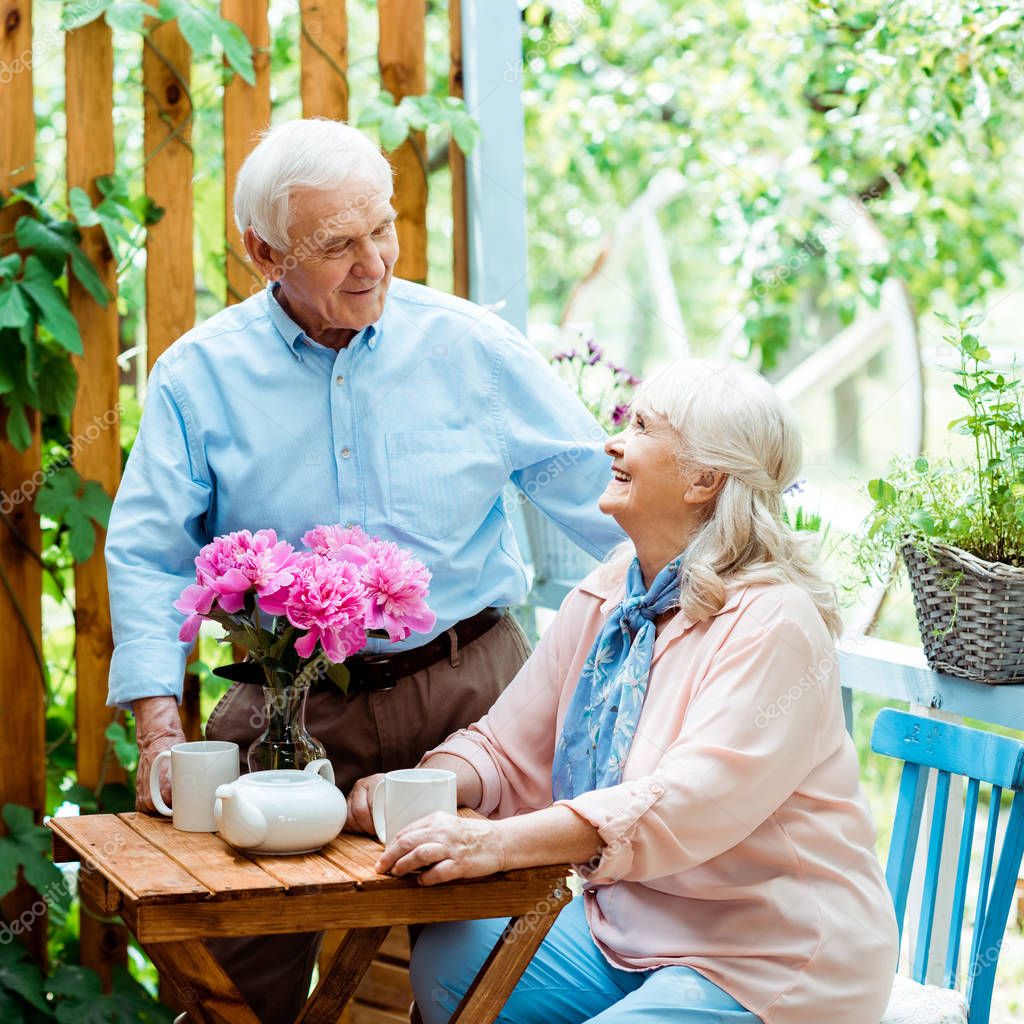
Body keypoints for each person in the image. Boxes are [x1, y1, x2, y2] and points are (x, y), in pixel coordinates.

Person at [104, 118, 623, 1023]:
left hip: (476, 701)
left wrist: (698, 620)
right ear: (261, 251)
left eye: (381, 229)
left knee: (485, 972)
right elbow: (150, 554)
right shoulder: (201, 376)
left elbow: (607, 504)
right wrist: (158, 731)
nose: (373, 262)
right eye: (336, 244)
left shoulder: (470, 348)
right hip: (288, 706)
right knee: (234, 976)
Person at [347, 358, 899, 1024]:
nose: (613, 442)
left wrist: (488, 845)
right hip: (632, 927)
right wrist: (419, 785)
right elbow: (504, 746)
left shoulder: (771, 620)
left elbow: (681, 805)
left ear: (704, 479)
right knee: (451, 961)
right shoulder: (616, 588)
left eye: (641, 427)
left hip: (769, 953)